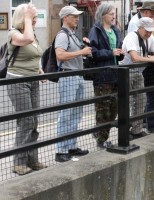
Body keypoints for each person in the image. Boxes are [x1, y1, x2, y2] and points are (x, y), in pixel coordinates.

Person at [6, 3, 46, 175]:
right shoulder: (14, 33)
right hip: (18, 81)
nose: (35, 21)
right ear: (23, 18)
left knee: (34, 120)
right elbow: (27, 40)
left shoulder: (32, 32)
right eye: (33, 18)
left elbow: (33, 54)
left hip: (33, 80)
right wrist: (28, 18)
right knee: (26, 121)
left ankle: (32, 158)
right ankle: (18, 162)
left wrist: (39, 70)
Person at [55, 6, 91, 162]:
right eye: (73, 16)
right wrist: (81, 52)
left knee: (76, 113)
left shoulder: (72, 34)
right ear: (65, 18)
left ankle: (71, 146)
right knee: (66, 114)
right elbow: (60, 55)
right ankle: (61, 150)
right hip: (68, 76)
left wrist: (82, 47)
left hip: (76, 76)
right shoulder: (62, 35)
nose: (77, 18)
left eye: (77, 16)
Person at [88, 3, 124, 148]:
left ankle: (101, 134)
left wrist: (120, 53)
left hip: (115, 74)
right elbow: (93, 52)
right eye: (111, 14)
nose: (114, 16)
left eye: (114, 13)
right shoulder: (95, 30)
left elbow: (118, 49)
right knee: (103, 109)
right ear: (103, 15)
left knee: (114, 108)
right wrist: (110, 53)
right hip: (102, 75)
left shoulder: (116, 30)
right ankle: (101, 140)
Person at [120, 17, 154, 138]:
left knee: (141, 100)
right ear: (140, 28)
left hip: (139, 72)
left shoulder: (150, 38)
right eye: (147, 31)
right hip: (126, 72)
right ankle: (124, 132)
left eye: (151, 31)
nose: (149, 33)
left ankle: (136, 130)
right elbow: (135, 58)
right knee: (126, 103)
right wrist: (152, 59)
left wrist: (153, 58)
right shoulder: (131, 37)